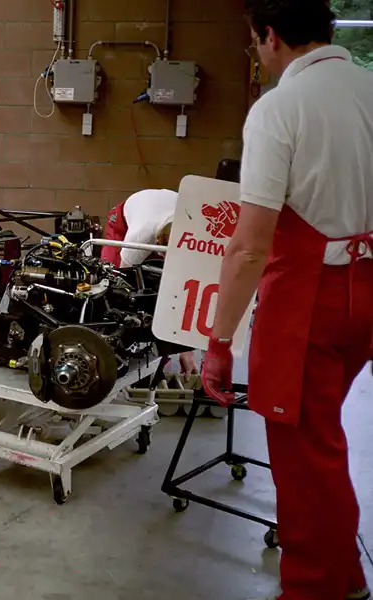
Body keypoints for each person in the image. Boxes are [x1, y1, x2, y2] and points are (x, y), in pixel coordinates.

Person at [199, 2, 373, 599]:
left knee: (304, 456)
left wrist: (218, 343)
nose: (257, 54)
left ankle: (319, 587)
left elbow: (249, 246)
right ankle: (341, 574)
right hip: (367, 289)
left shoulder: (280, 108)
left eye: (255, 43)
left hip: (310, 299)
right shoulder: (368, 88)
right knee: (322, 439)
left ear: (270, 36)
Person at [100, 188, 198, 375]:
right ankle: (110, 342)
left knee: (164, 282)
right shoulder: (141, 234)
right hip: (126, 217)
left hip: (167, 211)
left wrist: (185, 349)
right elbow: (121, 278)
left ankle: (164, 349)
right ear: (158, 241)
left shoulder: (195, 237)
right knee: (109, 278)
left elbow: (184, 293)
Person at [100, 188, 178, 268]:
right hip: (123, 220)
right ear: (157, 240)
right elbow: (124, 270)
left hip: (157, 206)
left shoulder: (188, 225)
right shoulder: (140, 235)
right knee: (111, 268)